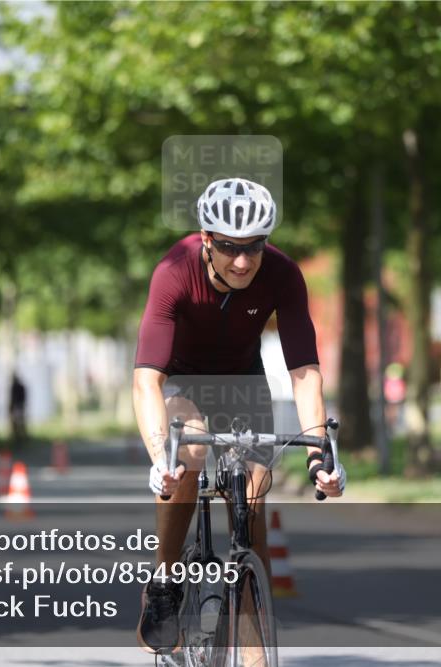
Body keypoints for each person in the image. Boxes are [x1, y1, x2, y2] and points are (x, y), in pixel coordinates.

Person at [132, 177, 346, 653]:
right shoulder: (174, 270)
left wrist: (321, 455)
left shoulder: (284, 275)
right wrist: (158, 456)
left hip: (243, 383)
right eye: (230, 247)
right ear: (207, 239)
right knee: (186, 452)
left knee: (253, 495)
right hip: (183, 379)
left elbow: (305, 371)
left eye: (255, 247)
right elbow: (147, 378)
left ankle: (253, 652)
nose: (244, 261)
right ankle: (165, 583)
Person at [9, 373, 28, 448]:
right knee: (17, 424)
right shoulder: (15, 387)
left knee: (19, 424)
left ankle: (21, 438)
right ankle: (18, 438)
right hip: (17, 407)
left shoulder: (18, 387)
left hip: (18, 407)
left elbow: (20, 398)